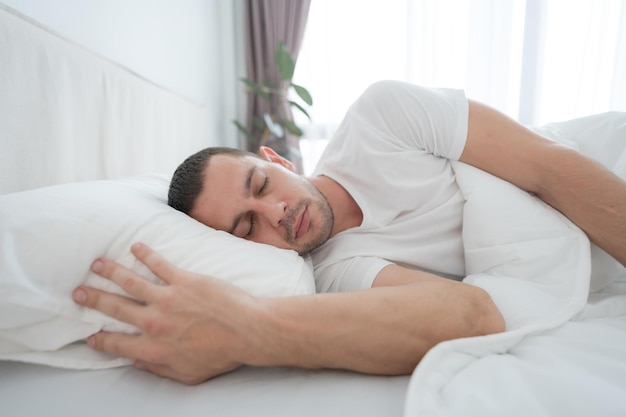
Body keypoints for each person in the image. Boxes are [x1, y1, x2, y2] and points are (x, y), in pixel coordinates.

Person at [72, 81, 626, 385]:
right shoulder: (335, 273)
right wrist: (241, 328)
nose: (278, 214)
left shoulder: (382, 118)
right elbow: (467, 313)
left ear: (277, 157)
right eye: (247, 228)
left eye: (261, 185)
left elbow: (548, 167)